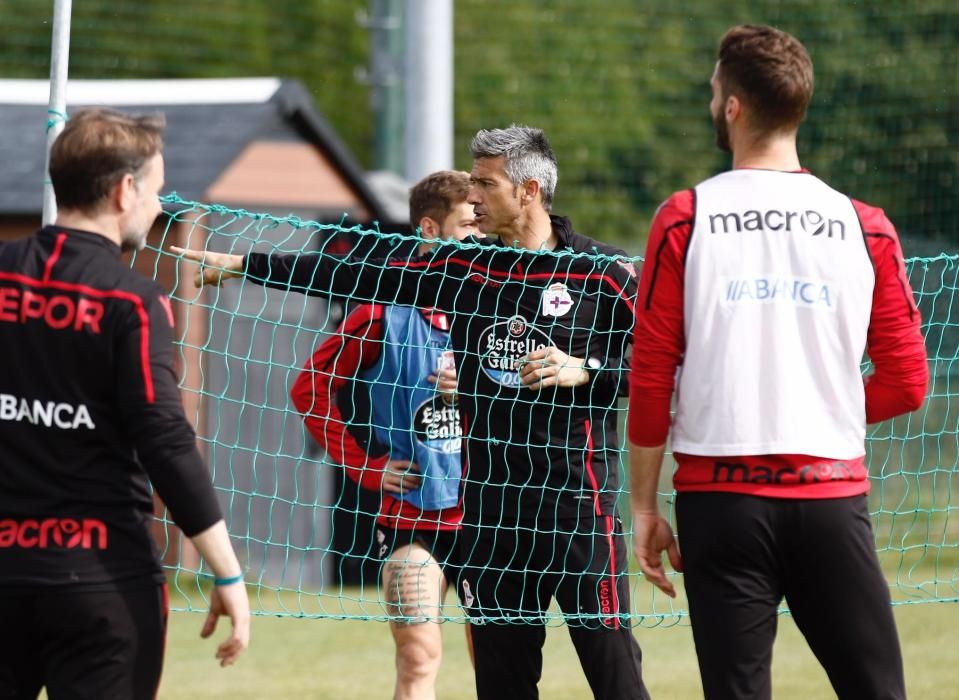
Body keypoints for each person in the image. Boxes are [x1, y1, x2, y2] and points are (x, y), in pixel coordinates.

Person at [173, 125, 649, 699]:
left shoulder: (603, 271)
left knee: (616, 678)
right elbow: (352, 273)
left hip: (578, 515)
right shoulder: (467, 269)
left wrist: (586, 370)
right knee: (501, 687)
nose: (473, 196)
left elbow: (662, 366)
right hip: (490, 519)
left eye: (485, 182)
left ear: (527, 191)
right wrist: (245, 264)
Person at [628, 25, 929, 700]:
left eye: (712, 91)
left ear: (731, 106)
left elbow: (650, 377)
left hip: (719, 501)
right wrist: (826, 409)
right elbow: (908, 383)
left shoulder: (684, 217)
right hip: (827, 493)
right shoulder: (863, 224)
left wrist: (643, 504)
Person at [0, 108, 251, 699]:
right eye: (157, 191)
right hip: (100, 575)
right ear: (123, 190)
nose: (159, 207)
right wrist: (227, 570)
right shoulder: (134, 301)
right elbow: (164, 437)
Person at [289, 170, 478, 700]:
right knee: (418, 660)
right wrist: (365, 467)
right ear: (429, 229)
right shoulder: (382, 312)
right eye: (468, 225)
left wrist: (479, 389)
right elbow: (309, 388)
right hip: (411, 519)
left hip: (487, 517)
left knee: (498, 665)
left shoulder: (497, 308)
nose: (479, 237)